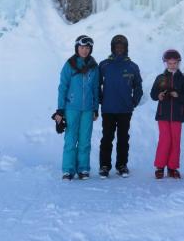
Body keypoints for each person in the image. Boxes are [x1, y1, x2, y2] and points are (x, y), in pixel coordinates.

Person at [54, 35, 99, 180]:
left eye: (87, 48)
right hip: (71, 108)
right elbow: (63, 87)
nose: (84, 50)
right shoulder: (69, 65)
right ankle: (68, 170)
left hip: (87, 110)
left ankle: (83, 169)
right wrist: (60, 110)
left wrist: (95, 108)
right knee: (71, 140)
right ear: (77, 48)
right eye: (82, 47)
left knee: (85, 140)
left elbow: (96, 88)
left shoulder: (93, 66)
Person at [98, 35, 143, 178]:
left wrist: (133, 102)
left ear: (126, 48)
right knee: (107, 138)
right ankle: (104, 166)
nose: (119, 49)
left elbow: (138, 87)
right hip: (108, 109)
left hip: (125, 109)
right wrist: (101, 99)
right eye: (116, 46)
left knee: (123, 138)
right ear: (112, 48)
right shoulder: (104, 65)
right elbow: (96, 84)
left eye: (121, 46)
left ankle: (122, 165)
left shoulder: (132, 66)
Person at [150, 50, 184, 179]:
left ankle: (173, 168)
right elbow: (152, 95)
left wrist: (178, 95)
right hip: (163, 114)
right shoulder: (160, 78)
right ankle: (160, 167)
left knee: (175, 141)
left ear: (179, 63)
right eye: (170, 63)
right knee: (165, 140)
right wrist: (159, 95)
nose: (172, 65)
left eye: (175, 63)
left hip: (177, 115)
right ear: (165, 63)